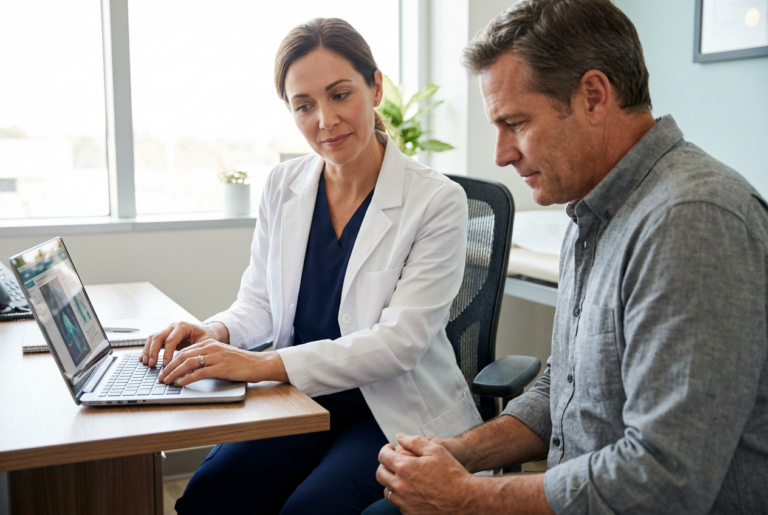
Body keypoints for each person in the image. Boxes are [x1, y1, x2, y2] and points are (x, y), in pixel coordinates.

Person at [365, 0, 768, 513]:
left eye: (515, 122)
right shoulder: (592, 208)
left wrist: (468, 497)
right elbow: (568, 386)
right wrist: (464, 450)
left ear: (594, 97)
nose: (501, 154)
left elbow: (665, 481)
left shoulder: (692, 220)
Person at [139, 17, 482, 515]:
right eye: (305, 106)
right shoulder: (284, 184)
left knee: (310, 511)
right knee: (212, 494)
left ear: (375, 86)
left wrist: (259, 365)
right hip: (297, 401)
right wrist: (214, 331)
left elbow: (399, 344)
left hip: (390, 413)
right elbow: (258, 302)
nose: (325, 120)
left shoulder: (436, 200)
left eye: (340, 95)